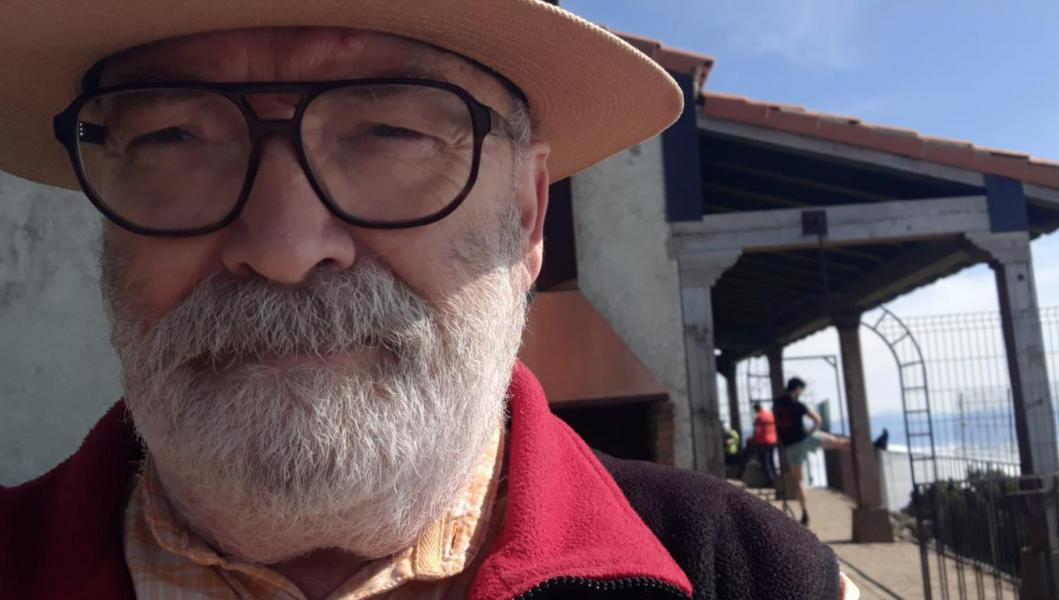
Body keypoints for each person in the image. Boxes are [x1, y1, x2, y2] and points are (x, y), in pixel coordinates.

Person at [0, 2, 855, 598]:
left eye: (392, 133)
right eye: (172, 138)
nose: (284, 248)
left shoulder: (756, 577)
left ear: (528, 216)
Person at [774, 378, 850, 526]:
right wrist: (811, 432)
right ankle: (862, 446)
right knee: (837, 442)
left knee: (799, 481)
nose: (802, 392)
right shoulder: (798, 404)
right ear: (797, 388)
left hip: (791, 446)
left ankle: (805, 513)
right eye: (801, 389)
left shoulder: (777, 404)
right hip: (805, 439)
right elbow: (818, 420)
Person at [752, 403, 780, 488]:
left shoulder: (759, 417)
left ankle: (770, 482)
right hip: (773, 440)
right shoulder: (770, 414)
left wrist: (753, 440)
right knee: (771, 461)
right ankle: (776, 481)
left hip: (763, 441)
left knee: (765, 463)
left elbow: (757, 431)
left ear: (756, 409)